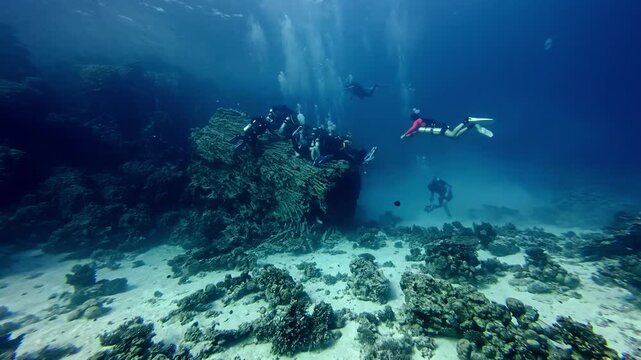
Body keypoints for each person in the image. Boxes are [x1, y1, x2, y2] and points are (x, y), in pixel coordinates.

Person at [400, 108, 494, 140]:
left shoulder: (417, 121)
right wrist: (408, 136)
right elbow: (415, 133)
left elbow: (412, 128)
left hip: (439, 128)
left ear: (413, 119)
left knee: (453, 135)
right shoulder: (420, 124)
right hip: (439, 127)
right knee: (454, 137)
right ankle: (472, 125)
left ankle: (467, 120)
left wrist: (404, 134)